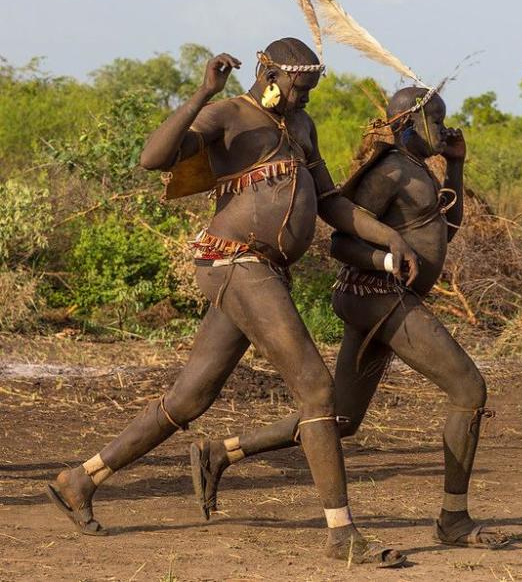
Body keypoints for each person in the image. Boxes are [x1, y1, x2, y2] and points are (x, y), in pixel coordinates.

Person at [46, 39, 415, 567]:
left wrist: (389, 239)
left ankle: (80, 479)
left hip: (265, 272)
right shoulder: (226, 115)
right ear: (267, 71)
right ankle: (342, 534)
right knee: (316, 388)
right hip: (234, 264)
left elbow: (331, 201)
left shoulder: (301, 127)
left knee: (189, 400)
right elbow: (153, 159)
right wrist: (201, 92)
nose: (303, 96)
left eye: (311, 88)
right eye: (297, 86)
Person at [194, 86, 508, 548]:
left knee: (340, 418)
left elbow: (450, 225)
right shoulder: (389, 170)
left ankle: (224, 451)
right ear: (408, 122)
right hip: (378, 294)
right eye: (436, 121)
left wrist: (456, 165)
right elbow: (340, 241)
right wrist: (385, 260)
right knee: (468, 388)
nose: (443, 129)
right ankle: (454, 520)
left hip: (381, 297)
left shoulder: (419, 170)